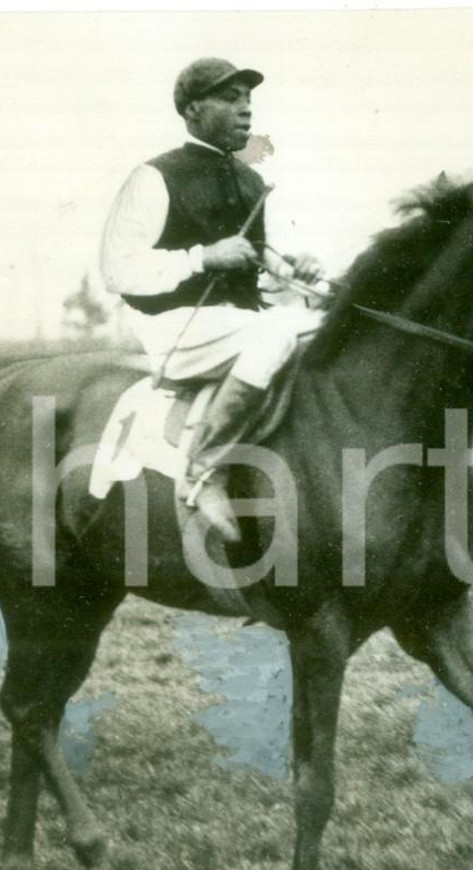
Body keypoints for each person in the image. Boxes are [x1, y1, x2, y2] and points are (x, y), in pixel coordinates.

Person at [100, 57, 323, 542]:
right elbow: (118, 270)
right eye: (230, 99)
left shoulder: (250, 180)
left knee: (325, 329)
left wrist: (292, 267)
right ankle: (204, 470)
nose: (246, 110)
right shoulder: (153, 176)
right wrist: (203, 258)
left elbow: (258, 259)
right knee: (280, 330)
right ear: (193, 109)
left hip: (241, 328)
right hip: (176, 327)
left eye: (248, 100)